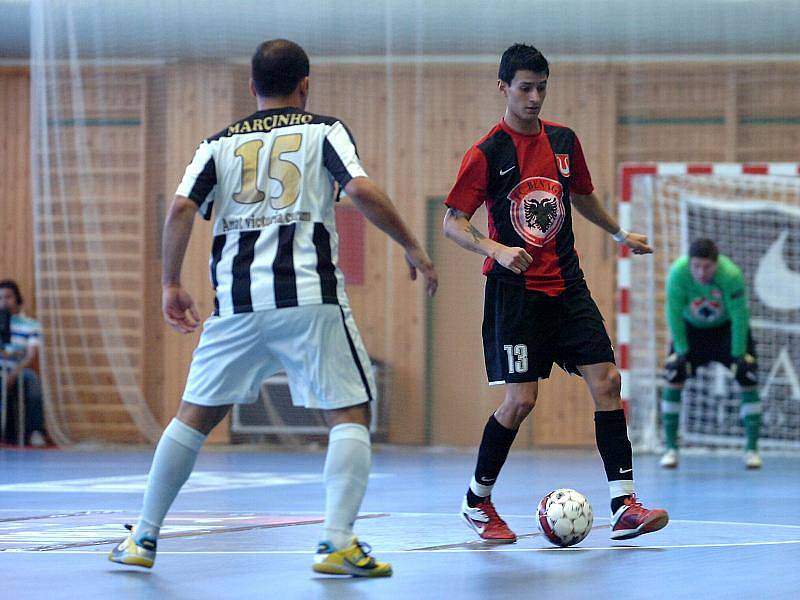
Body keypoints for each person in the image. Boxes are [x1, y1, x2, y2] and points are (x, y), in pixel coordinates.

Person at [109, 39, 437, 576]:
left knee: (192, 419)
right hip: (308, 298)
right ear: (305, 84)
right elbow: (358, 188)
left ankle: (143, 537)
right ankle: (335, 542)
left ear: (251, 86)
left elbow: (179, 210)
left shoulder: (215, 145)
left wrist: (170, 282)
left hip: (235, 306)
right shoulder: (323, 130)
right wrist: (412, 245)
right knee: (350, 413)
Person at [443, 43, 668, 543]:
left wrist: (617, 234)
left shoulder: (565, 141)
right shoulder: (487, 153)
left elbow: (583, 196)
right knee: (521, 401)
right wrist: (496, 249)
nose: (534, 97)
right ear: (503, 87)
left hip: (567, 287)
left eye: (542, 87)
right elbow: (452, 224)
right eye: (525, 88)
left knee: (608, 380)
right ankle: (477, 502)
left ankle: (623, 504)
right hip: (515, 293)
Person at [660, 239, 761, 469]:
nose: (701, 272)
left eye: (707, 267)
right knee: (674, 374)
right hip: (691, 330)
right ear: (690, 263)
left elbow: (739, 316)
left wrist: (738, 355)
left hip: (725, 330)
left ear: (716, 264)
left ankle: (752, 450)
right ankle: (670, 449)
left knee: (748, 375)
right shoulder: (678, 274)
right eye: (696, 266)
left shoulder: (731, 275)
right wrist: (682, 351)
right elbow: (673, 312)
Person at [0, 279, 47, 447]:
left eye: (8, 297)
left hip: (18, 369)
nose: (4, 302)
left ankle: (36, 431)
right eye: (0, 298)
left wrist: (13, 372)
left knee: (32, 379)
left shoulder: (31, 325)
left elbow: (31, 355)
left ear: (17, 299)